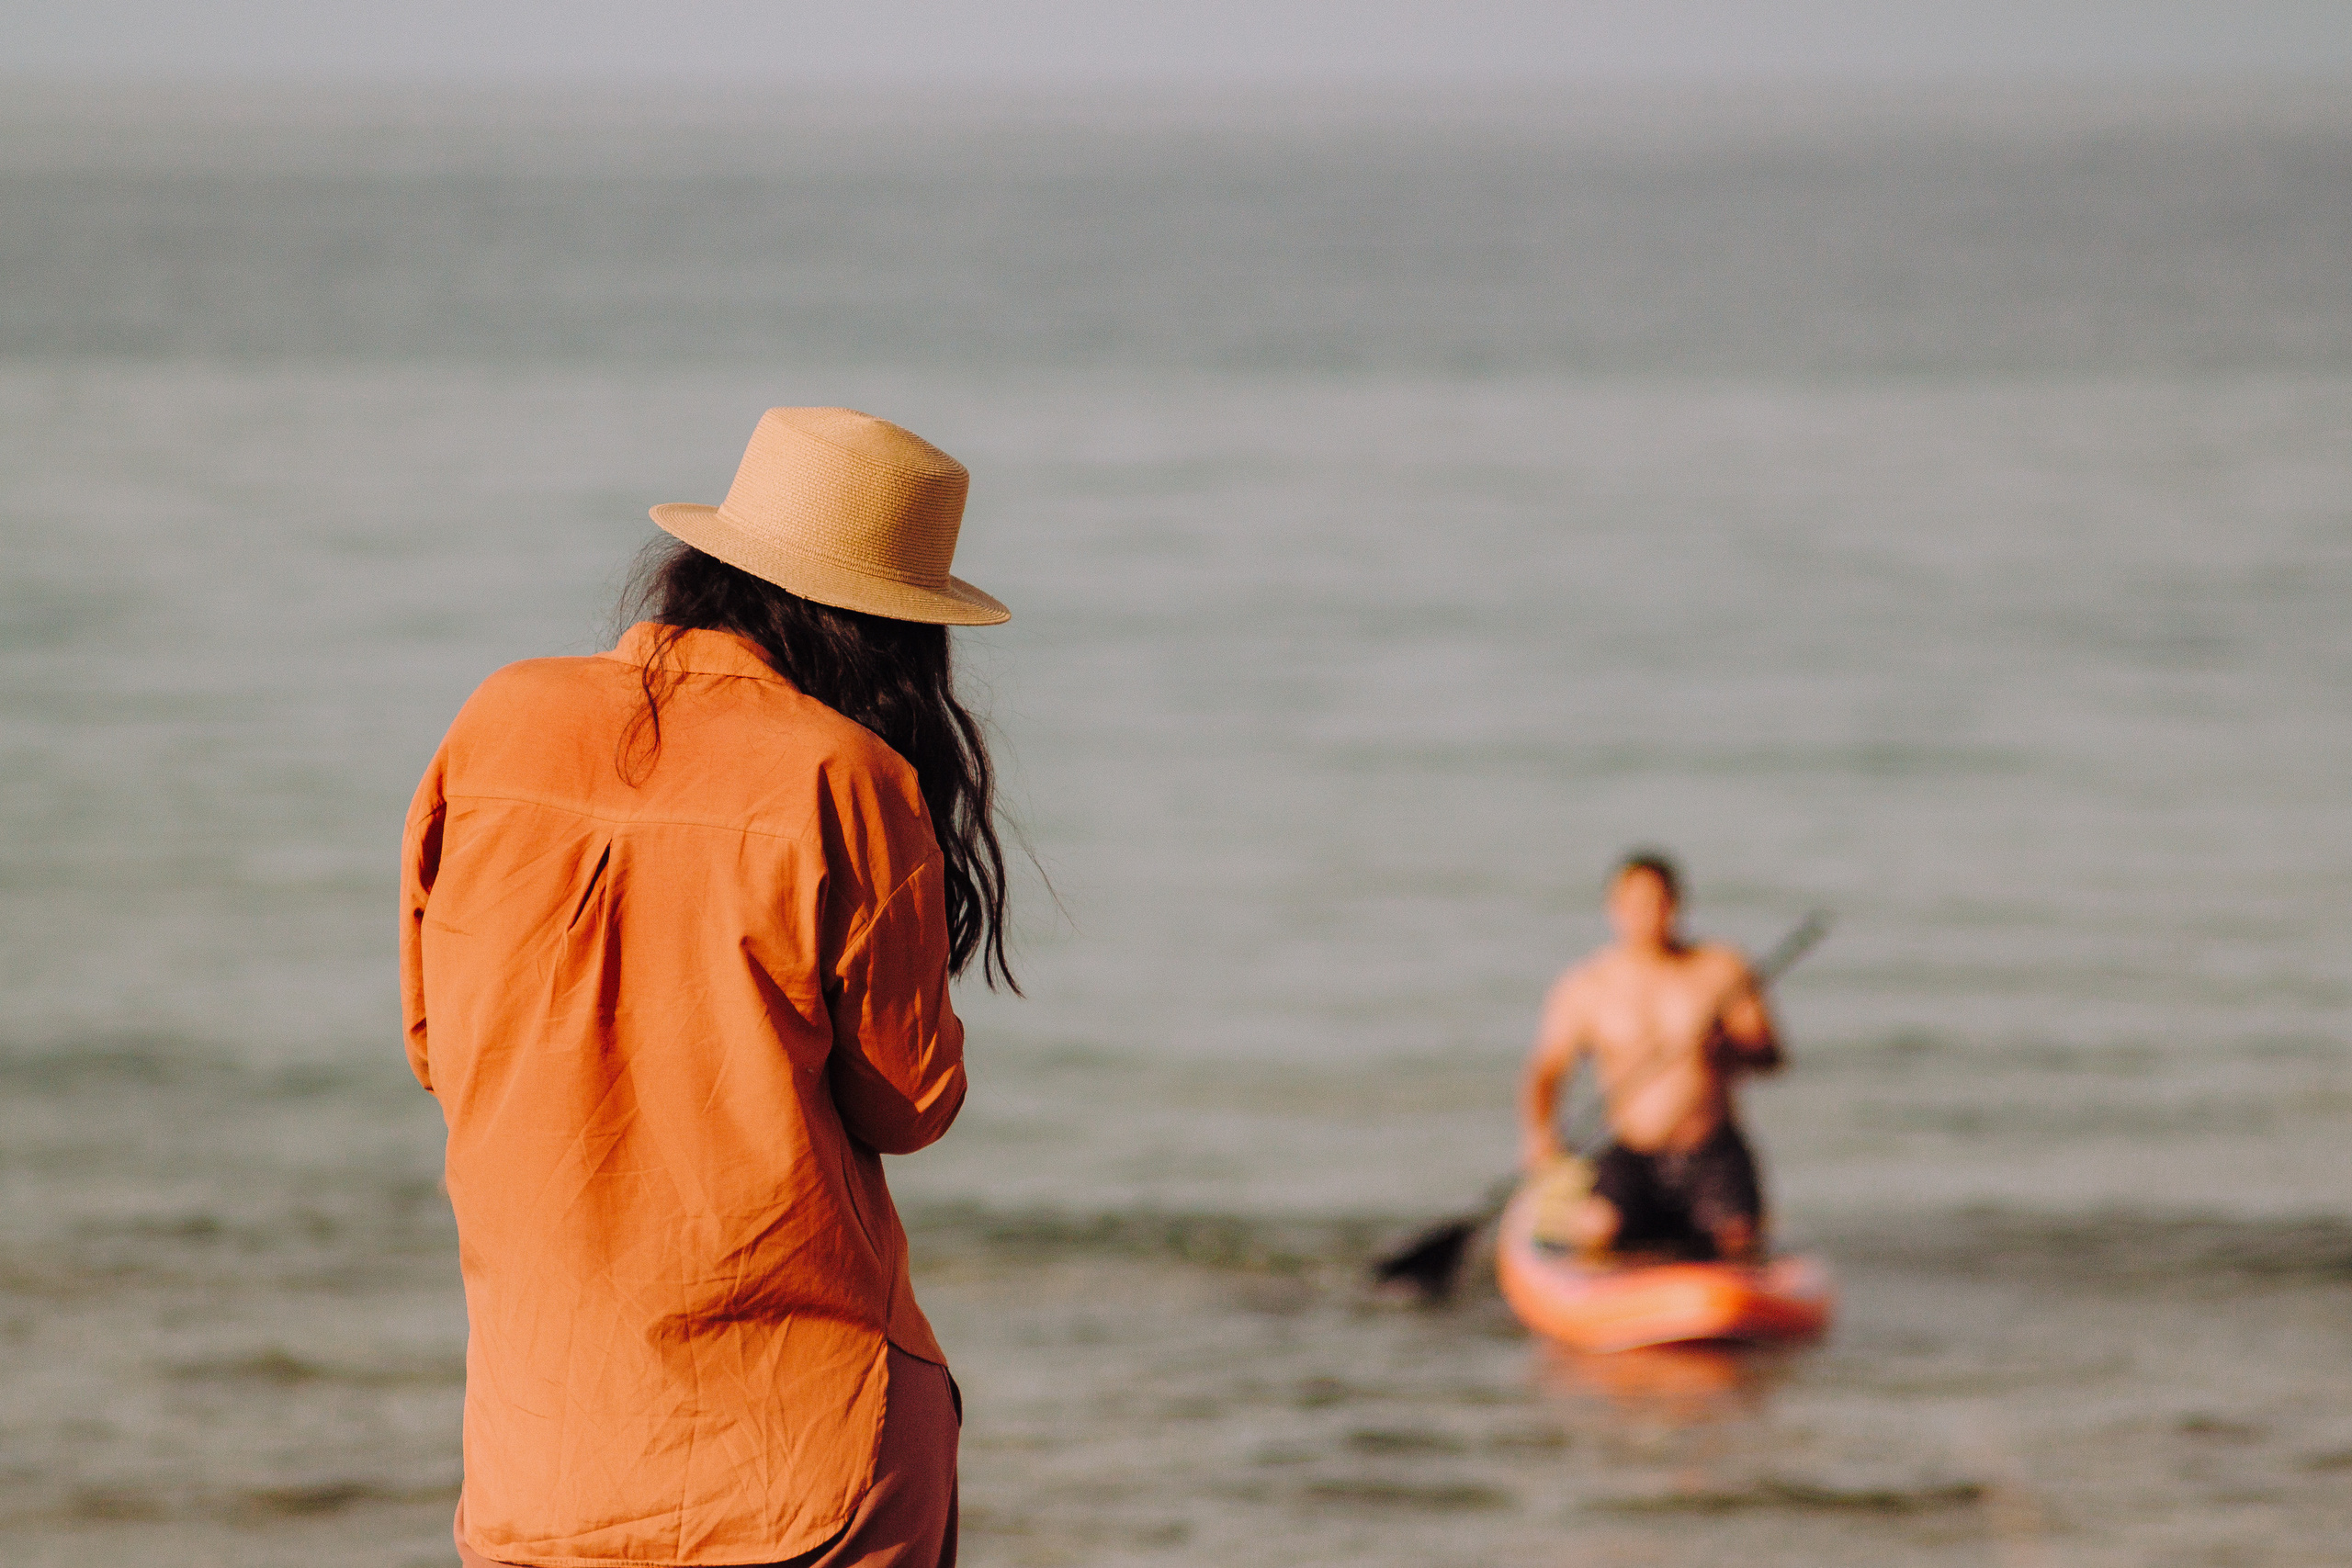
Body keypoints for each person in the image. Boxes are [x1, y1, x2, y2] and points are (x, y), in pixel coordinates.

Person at [401, 407, 1015, 1568]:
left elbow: (436, 1041)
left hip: (542, 1463)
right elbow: (910, 1105)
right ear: (893, 632)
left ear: (711, 564)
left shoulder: (496, 721)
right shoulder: (847, 775)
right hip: (810, 1458)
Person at [1517, 852, 1782, 1262]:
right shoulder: (1588, 984)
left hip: (1711, 1148)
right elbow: (1547, 1070)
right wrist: (1541, 1135)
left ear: (1677, 905)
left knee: (1740, 1242)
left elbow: (1771, 1057)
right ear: (1614, 910)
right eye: (1635, 905)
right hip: (1633, 1150)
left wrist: (1725, 1044)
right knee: (1598, 1229)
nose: (1648, 916)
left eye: (1659, 903)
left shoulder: (1720, 969)